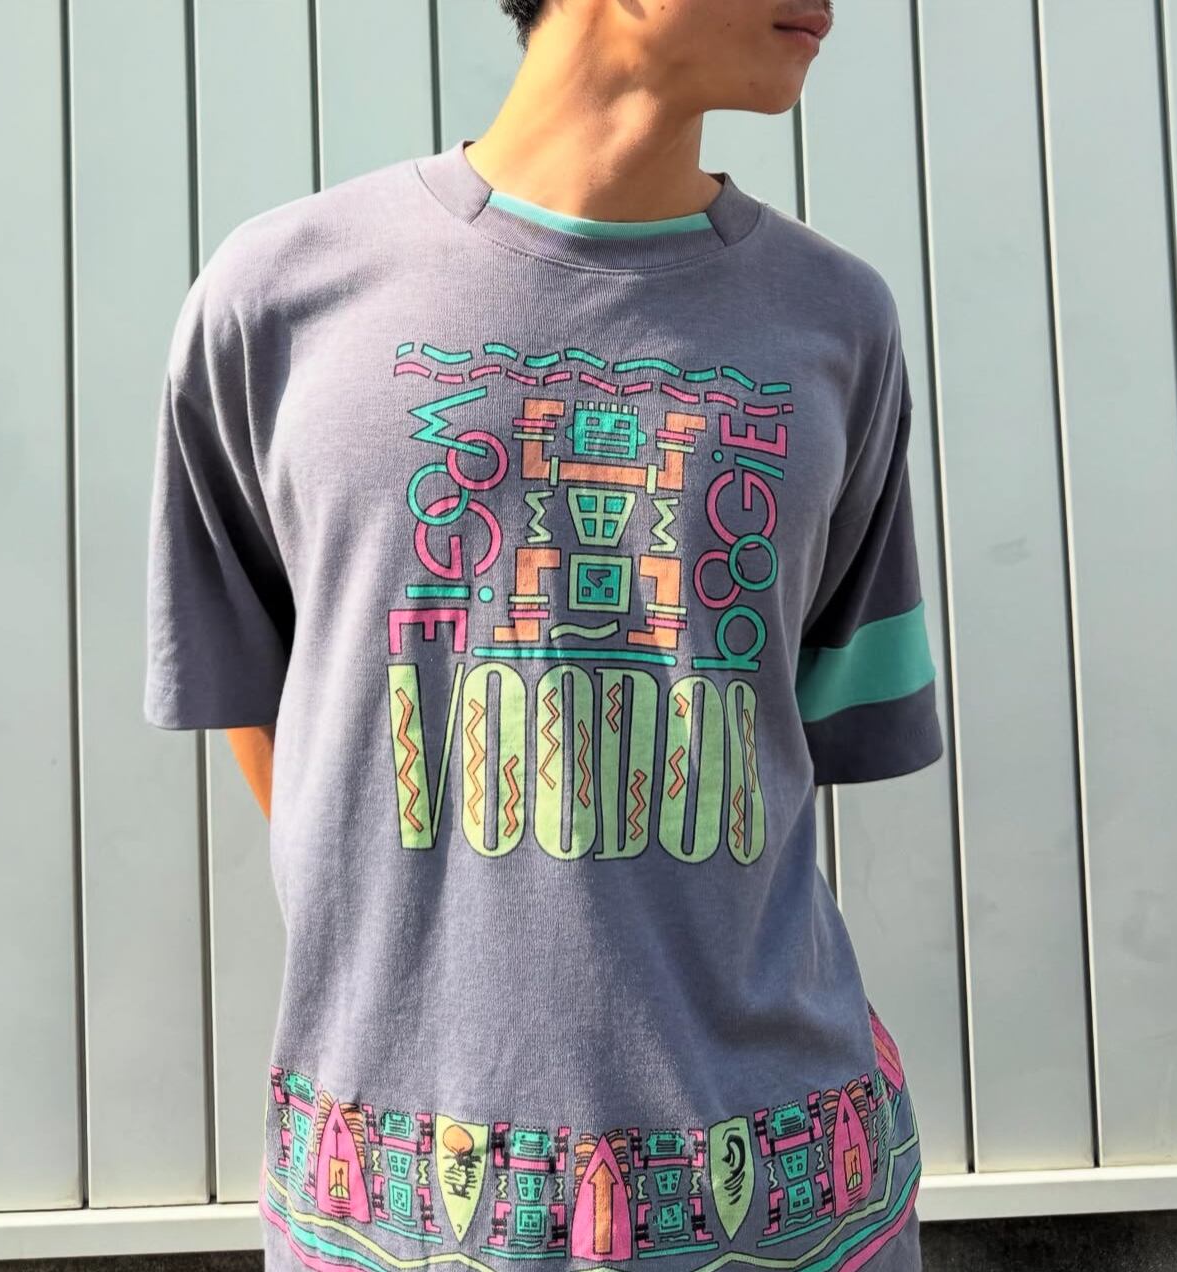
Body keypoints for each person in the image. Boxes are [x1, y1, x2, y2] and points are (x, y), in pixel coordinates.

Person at [143, 1, 944, 1269]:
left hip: (790, 1200)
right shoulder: (279, 298)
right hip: (394, 1199)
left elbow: (816, 721)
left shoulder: (839, 323)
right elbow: (255, 683)